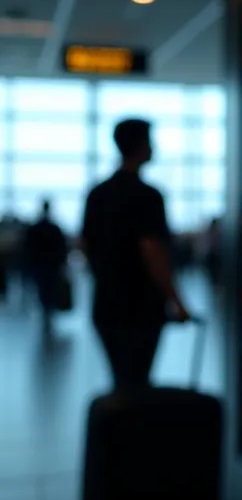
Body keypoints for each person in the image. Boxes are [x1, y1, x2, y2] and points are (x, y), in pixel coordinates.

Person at [81, 118, 191, 389]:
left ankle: (118, 429)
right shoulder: (148, 196)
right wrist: (175, 300)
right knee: (137, 380)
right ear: (142, 146)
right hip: (141, 307)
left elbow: (86, 244)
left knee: (121, 379)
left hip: (106, 304)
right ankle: (133, 430)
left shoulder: (98, 193)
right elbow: (152, 250)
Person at [24, 200, 69, 335]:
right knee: (50, 289)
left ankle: (46, 311)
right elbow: (62, 247)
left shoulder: (35, 228)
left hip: (40, 264)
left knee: (43, 289)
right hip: (52, 264)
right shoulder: (55, 228)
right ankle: (49, 311)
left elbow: (28, 247)